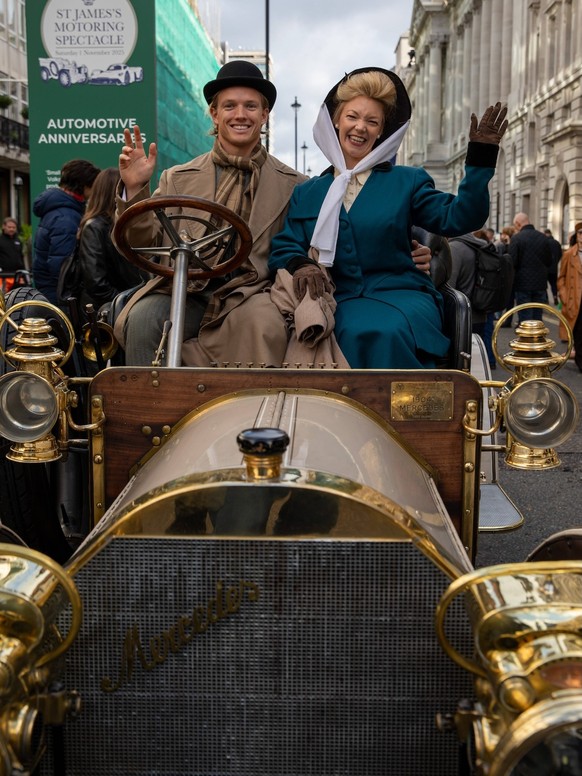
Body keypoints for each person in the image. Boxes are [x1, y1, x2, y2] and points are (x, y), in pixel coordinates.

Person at [114, 61, 432, 367]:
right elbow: (143, 242)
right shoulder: (178, 177)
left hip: (251, 292)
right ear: (214, 113)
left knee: (264, 322)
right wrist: (135, 191)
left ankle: (251, 418)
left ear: (265, 115)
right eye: (230, 106)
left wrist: (404, 250)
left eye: (251, 106)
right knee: (144, 318)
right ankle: (150, 415)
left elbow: (327, 237)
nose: (241, 115)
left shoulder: (295, 185)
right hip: (186, 288)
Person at [268, 67, 507, 369]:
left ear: (381, 131)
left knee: (380, 331)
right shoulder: (310, 191)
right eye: (353, 116)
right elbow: (284, 246)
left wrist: (481, 159)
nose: (360, 128)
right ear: (336, 121)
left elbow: (460, 218)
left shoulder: (407, 181)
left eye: (372, 121)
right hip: (334, 298)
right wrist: (300, 264)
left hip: (400, 295)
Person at [77, 167, 149, 310]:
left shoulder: (124, 225)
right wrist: (124, 302)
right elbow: (96, 282)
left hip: (123, 303)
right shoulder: (94, 227)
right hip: (106, 310)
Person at [33, 159, 100, 305]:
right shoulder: (66, 218)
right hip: (60, 296)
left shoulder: (62, 209)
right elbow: (62, 267)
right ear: (84, 186)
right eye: (93, 185)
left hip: (51, 290)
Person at [448, 231, 497, 370]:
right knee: (476, 363)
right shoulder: (479, 246)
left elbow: (449, 287)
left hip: (461, 317)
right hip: (480, 312)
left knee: (462, 366)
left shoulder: (455, 248)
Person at [509, 212, 552, 322]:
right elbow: (549, 261)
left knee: (525, 318)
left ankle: (526, 339)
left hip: (522, 284)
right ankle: (538, 339)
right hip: (540, 284)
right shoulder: (543, 238)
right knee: (538, 318)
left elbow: (512, 263)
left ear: (518, 224)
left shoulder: (516, 238)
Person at [556, 222, 582, 369]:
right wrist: (565, 297)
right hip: (574, 299)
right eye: (580, 233)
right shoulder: (568, 254)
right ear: (576, 235)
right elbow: (561, 278)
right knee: (577, 331)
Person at [0, 216, 24, 287]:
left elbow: (21, 257)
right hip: (3, 276)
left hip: (17, 276)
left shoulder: (18, 241)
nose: (11, 229)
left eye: (13, 227)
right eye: (9, 227)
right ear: (4, 226)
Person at [543, 228, 562, 304]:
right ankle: (555, 296)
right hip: (554, 268)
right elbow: (560, 254)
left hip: (545, 267)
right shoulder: (557, 243)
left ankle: (546, 299)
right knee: (554, 283)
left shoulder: (544, 242)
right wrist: (555, 262)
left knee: (544, 285)